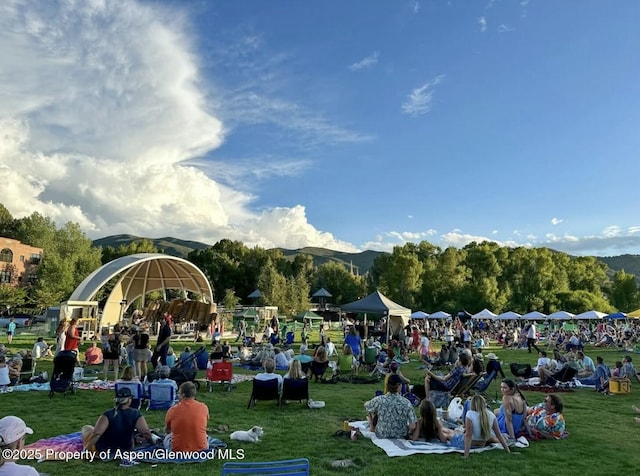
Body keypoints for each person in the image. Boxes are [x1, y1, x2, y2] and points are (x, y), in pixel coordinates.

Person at [82, 387, 153, 454]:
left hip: (105, 449)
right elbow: (146, 432)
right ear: (129, 400)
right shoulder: (135, 414)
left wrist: (86, 449)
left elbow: (97, 434)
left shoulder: (108, 414)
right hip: (126, 448)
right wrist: (152, 442)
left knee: (87, 428)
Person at [364, 374, 417, 439]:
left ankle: (372, 428)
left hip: (382, 433)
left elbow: (367, 406)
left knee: (371, 409)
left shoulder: (380, 400)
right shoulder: (406, 403)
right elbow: (412, 426)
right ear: (399, 385)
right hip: (400, 435)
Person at [164, 381, 209, 452]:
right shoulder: (204, 407)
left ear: (183, 395)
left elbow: (167, 430)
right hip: (201, 448)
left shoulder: (173, 410)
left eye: (179, 393)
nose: (177, 395)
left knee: (167, 437)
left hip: (178, 449)